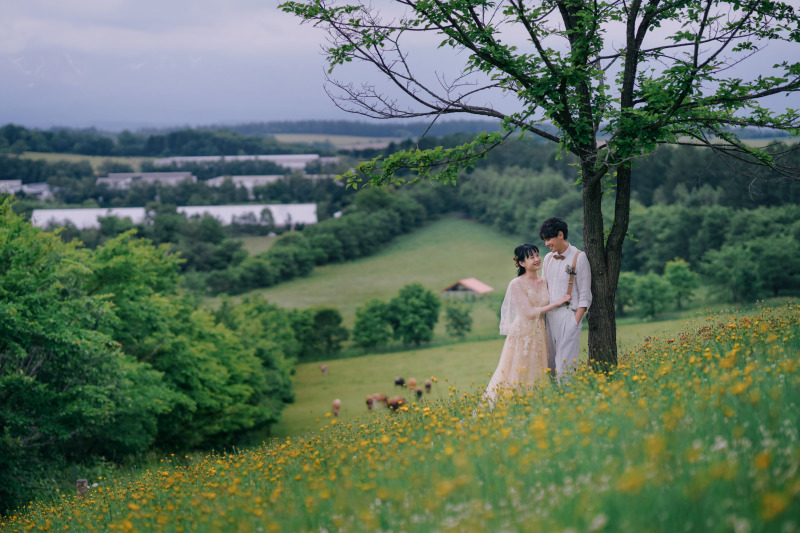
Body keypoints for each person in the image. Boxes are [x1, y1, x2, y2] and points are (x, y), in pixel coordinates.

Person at [483, 243, 571, 403]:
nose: (537, 259)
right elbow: (529, 313)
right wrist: (557, 303)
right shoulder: (516, 284)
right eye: (532, 257)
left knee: (538, 369)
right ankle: (512, 403)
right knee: (519, 370)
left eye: (537, 255)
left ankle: (536, 402)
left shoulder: (544, 281)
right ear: (521, 263)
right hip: (523, 333)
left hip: (541, 332)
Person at [539, 217, 592, 377]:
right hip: (549, 317)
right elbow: (543, 288)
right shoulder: (548, 258)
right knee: (550, 366)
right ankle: (558, 399)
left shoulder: (579, 257)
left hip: (568, 315)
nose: (546, 244)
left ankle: (569, 397)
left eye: (548, 239)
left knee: (565, 365)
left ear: (560, 235)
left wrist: (575, 321)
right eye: (545, 240)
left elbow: (585, 295)